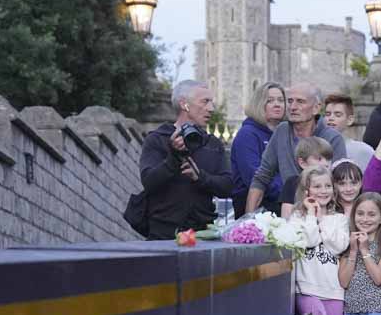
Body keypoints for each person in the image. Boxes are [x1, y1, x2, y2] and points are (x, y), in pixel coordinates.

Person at [139, 80, 233, 240]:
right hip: (163, 237)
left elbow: (228, 186)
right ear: (184, 104)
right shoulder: (157, 139)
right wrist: (174, 157)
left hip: (203, 235)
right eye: (205, 102)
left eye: (211, 102)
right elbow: (148, 181)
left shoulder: (213, 144)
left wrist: (200, 177)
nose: (211, 108)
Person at [247, 83, 346, 215]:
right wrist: (247, 220)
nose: (293, 107)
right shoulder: (281, 131)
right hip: (288, 212)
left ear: (316, 108)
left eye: (300, 102)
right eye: (290, 101)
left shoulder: (333, 138)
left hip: (325, 216)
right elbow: (262, 177)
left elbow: (340, 184)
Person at [283, 167, 350, 315]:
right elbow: (310, 240)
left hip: (334, 291)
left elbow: (338, 247)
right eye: (317, 186)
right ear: (307, 190)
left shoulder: (340, 219)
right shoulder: (297, 218)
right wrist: (312, 215)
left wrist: (321, 218)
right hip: (307, 289)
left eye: (327, 186)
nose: (323, 191)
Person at [231, 82, 285, 217]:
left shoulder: (286, 134)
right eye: (270, 101)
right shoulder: (247, 134)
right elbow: (253, 175)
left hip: (283, 205)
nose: (277, 104)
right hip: (256, 208)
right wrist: (288, 190)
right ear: (259, 104)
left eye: (281, 100)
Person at [279, 137, 335, 217]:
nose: (326, 164)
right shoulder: (293, 183)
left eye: (328, 159)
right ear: (303, 163)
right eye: (319, 159)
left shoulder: (331, 179)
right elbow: (286, 218)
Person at [323, 94, 375, 168]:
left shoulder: (363, 151)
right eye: (327, 114)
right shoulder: (314, 147)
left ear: (350, 120)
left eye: (338, 115)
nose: (331, 118)